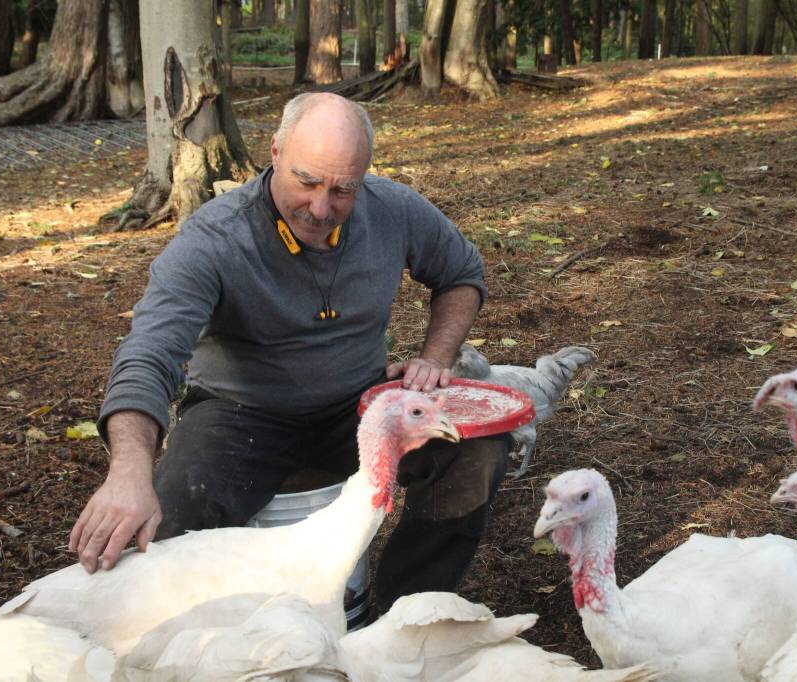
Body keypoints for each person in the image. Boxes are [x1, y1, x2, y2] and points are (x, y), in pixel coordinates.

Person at [68, 92, 509, 616]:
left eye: (343, 189)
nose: (321, 208)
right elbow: (148, 354)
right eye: (307, 181)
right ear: (274, 151)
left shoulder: (393, 209)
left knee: (474, 453)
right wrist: (127, 472)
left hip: (361, 407)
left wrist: (435, 357)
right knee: (167, 520)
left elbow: (461, 274)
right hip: (239, 415)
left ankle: (401, 619)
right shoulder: (215, 238)